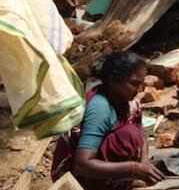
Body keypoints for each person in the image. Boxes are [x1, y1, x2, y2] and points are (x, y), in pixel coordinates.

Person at [51, 51, 165, 190]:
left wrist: (144, 160)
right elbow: (82, 165)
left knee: (132, 134)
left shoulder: (129, 103)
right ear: (113, 81)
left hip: (101, 167)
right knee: (127, 135)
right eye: (135, 83)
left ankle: (119, 182)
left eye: (142, 83)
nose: (140, 89)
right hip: (79, 178)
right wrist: (133, 168)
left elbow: (141, 136)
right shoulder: (100, 109)